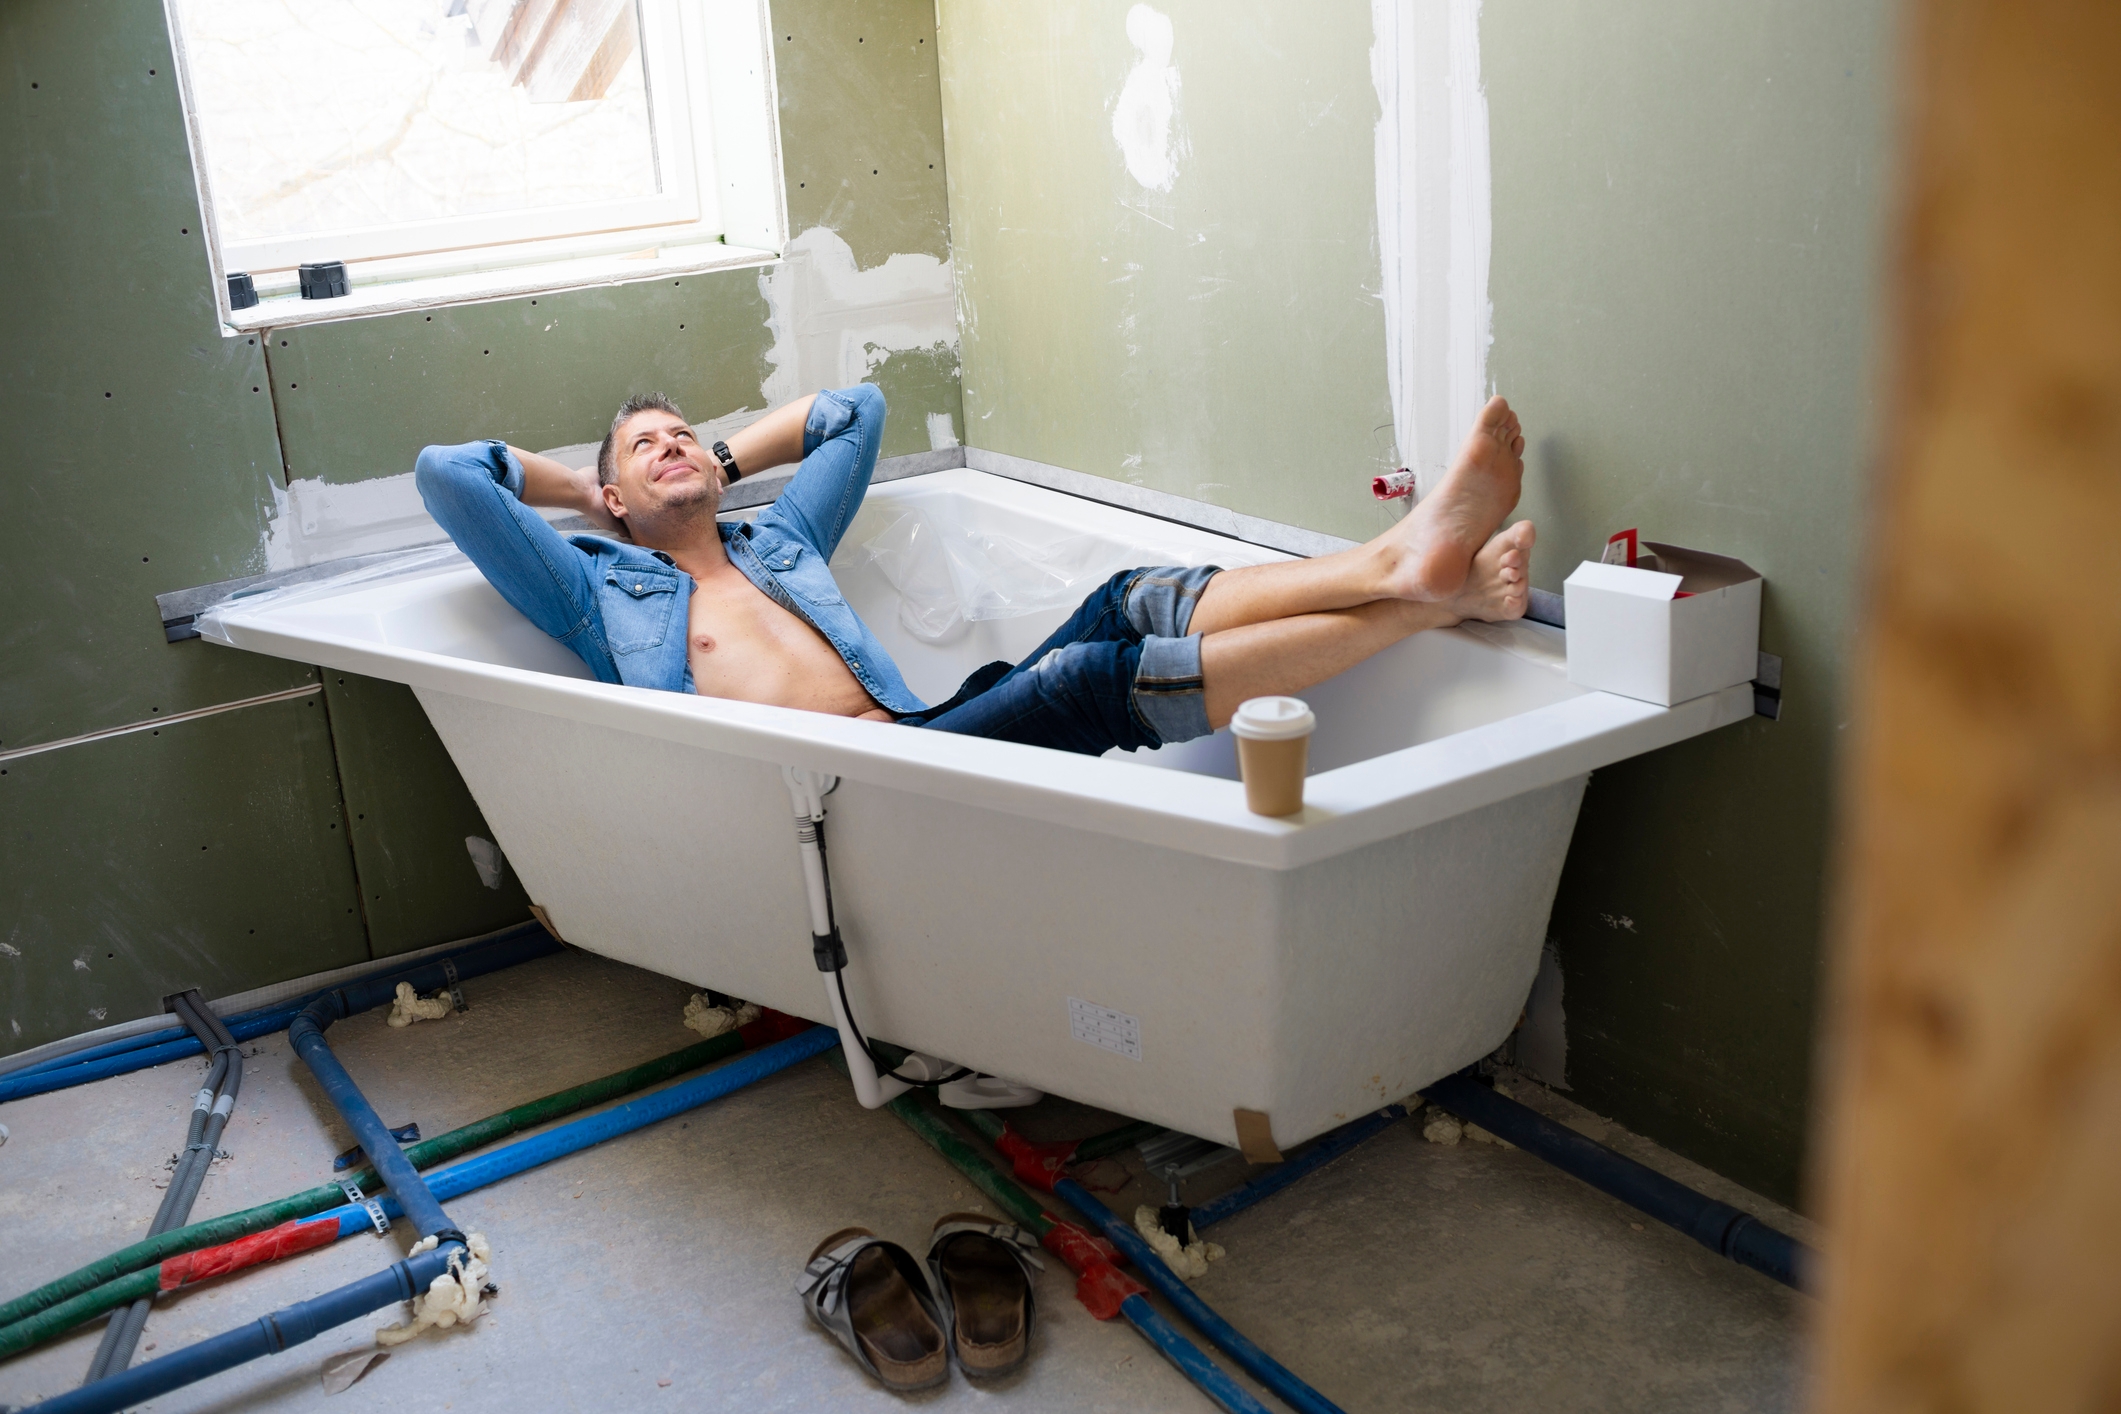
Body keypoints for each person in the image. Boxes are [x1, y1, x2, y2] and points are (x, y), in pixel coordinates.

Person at [414, 384, 1534, 755]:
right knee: (1089, 679)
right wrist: (590, 498)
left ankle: (1402, 567)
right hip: (825, 798)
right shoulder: (594, 585)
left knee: (1127, 595)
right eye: (641, 447)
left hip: (915, 743)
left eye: (682, 435)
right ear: (610, 497)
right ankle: (1411, 599)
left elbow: (856, 411)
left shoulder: (780, 540)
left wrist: (706, 460)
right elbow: (452, 476)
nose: (670, 447)